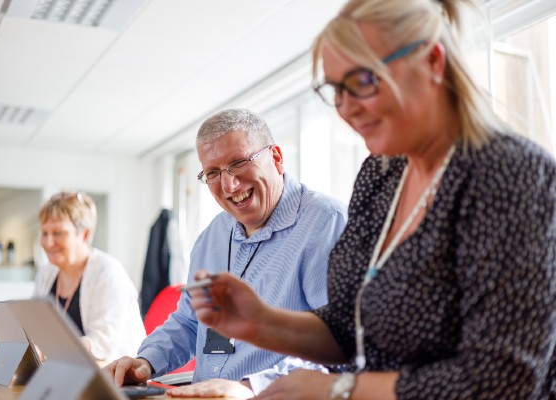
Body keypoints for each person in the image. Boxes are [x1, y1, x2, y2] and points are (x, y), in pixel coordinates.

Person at [188, 0, 556, 399]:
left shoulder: (509, 175)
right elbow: (352, 326)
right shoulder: (381, 175)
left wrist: (341, 390)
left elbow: (503, 378)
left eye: (361, 82)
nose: (345, 108)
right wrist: (260, 322)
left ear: (432, 61)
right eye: (335, 90)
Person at [105, 108, 348, 398]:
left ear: (277, 158)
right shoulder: (213, 236)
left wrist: (250, 387)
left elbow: (342, 344)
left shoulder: (326, 223)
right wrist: (146, 361)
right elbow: (189, 321)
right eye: (213, 173)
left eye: (239, 163)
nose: (229, 185)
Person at [34, 191, 146, 363]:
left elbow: (102, 344)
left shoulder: (107, 271)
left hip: (116, 378)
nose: (48, 243)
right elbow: (35, 328)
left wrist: (50, 350)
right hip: (68, 372)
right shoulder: (46, 273)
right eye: (45, 233)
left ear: (85, 234)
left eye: (58, 233)